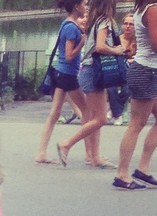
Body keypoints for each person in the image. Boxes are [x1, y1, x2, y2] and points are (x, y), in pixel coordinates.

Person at [56, 0, 125, 168]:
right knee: (101, 118)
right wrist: (117, 50)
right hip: (94, 71)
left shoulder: (95, 20)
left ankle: (95, 157)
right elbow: (100, 47)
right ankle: (67, 144)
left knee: (96, 117)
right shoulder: (105, 21)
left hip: (89, 70)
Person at [113, 1, 157, 190]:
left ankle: (143, 168)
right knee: (136, 124)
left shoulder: (144, 7)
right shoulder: (153, 9)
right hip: (146, 71)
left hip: (151, 71)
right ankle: (122, 174)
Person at [35, 0, 88, 164]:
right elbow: (70, 55)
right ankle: (90, 154)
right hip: (68, 75)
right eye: (85, 4)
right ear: (77, 6)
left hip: (60, 73)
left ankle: (41, 153)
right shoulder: (71, 27)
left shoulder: (67, 24)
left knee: (54, 114)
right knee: (88, 113)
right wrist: (82, 43)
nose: (86, 7)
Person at [106, 13, 137, 125]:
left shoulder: (138, 41)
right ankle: (117, 114)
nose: (128, 26)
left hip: (131, 73)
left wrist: (133, 59)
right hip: (116, 70)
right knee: (111, 87)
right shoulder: (117, 39)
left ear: (135, 26)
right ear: (122, 25)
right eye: (126, 23)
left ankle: (113, 111)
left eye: (131, 24)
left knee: (128, 88)